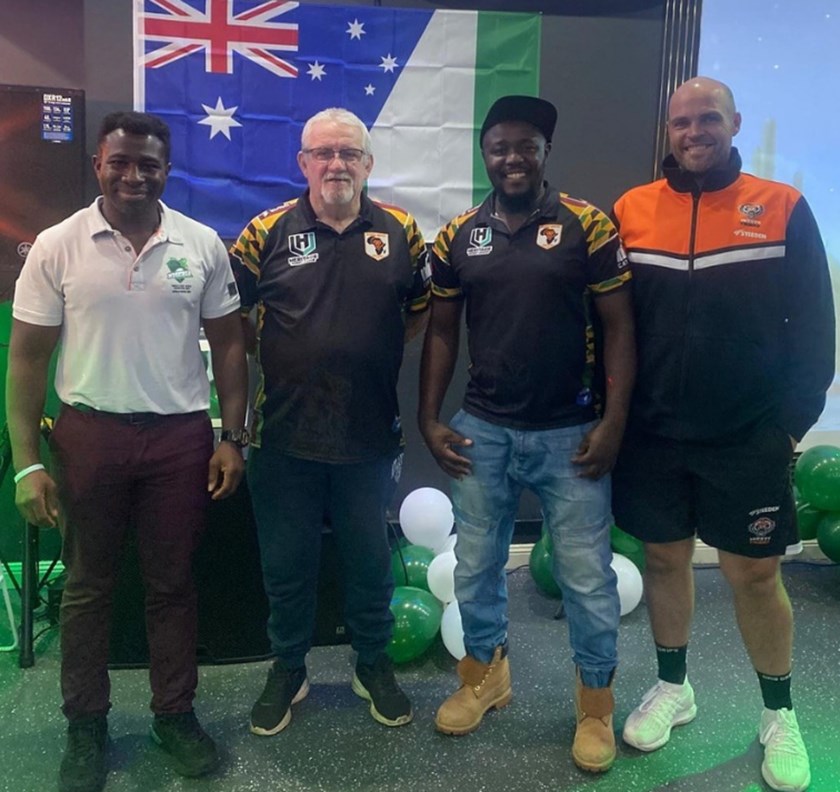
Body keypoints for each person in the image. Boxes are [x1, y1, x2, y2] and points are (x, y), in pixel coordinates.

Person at [7, 110, 249, 792]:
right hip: (90, 435)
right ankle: (86, 726)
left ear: (166, 171)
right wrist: (27, 463)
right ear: (99, 165)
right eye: (121, 162)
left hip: (179, 438)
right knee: (86, 589)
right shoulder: (57, 246)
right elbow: (26, 362)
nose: (134, 174)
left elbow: (231, 345)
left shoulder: (200, 244)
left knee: (172, 585)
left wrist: (233, 436)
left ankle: (174, 715)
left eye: (148, 164)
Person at [611, 77, 834, 792]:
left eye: (708, 117)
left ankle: (779, 713)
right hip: (653, 437)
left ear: (734, 123)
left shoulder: (782, 207)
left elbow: (815, 332)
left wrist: (785, 430)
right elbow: (608, 328)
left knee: (755, 575)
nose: (694, 130)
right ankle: (676, 688)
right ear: (668, 130)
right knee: (666, 563)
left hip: (747, 439)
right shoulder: (632, 211)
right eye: (682, 120)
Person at [418, 95, 636, 773]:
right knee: (478, 565)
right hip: (484, 430)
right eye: (499, 147)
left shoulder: (586, 225)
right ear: (485, 153)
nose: (511, 158)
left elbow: (622, 328)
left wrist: (613, 422)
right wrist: (430, 417)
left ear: (545, 153)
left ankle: (595, 708)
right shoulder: (459, 233)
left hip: (570, 434)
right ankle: (485, 679)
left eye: (525, 147)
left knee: (587, 580)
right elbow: (444, 332)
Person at [228, 107, 430, 737]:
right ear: (303, 162)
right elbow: (234, 325)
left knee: (370, 565)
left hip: (368, 438)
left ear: (368, 164)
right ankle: (289, 668)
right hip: (283, 437)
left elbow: (419, 314)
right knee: (287, 568)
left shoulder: (402, 231)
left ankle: (373, 665)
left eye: (349, 153)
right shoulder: (264, 232)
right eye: (324, 153)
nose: (336, 164)